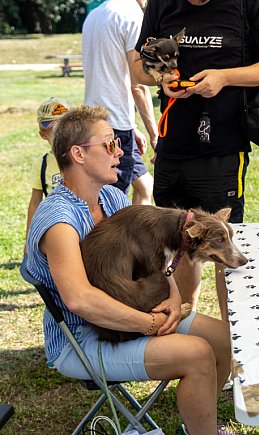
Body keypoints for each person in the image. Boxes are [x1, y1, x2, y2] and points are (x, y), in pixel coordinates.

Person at [26, 105, 232, 435]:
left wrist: (174, 301)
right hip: (82, 338)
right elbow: (79, 300)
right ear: (78, 154)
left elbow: (157, 259)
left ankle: (196, 424)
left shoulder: (112, 197)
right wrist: (149, 323)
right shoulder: (59, 222)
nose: (120, 150)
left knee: (224, 341)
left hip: (137, 307)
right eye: (109, 144)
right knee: (198, 355)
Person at [133, 0, 259, 319]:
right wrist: (162, 78)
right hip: (172, 149)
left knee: (225, 247)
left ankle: (235, 333)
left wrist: (224, 78)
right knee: (179, 245)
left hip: (223, 149)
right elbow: (137, 66)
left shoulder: (250, 3)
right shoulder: (161, 3)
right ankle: (185, 321)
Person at [82, 0, 157, 204]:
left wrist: (132, 127)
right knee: (113, 204)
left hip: (94, 121)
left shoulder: (95, 15)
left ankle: (135, 235)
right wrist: (154, 134)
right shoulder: (132, 16)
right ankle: (116, 237)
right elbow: (138, 85)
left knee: (145, 185)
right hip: (114, 129)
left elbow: (108, 75)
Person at [25, 97, 72, 246]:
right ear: (44, 134)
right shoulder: (42, 164)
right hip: (59, 230)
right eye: (55, 131)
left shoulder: (85, 156)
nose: (62, 136)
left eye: (66, 129)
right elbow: (35, 202)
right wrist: (29, 244)